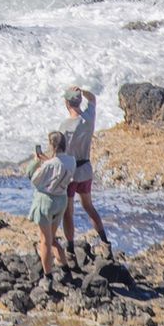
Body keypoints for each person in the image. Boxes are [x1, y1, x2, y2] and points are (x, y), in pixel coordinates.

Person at [60, 85, 110, 259]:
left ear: (67, 103)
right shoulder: (88, 118)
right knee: (89, 206)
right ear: (79, 101)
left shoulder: (65, 126)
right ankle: (105, 242)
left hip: (71, 174)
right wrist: (83, 91)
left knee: (68, 212)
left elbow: (60, 152)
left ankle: (70, 249)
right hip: (86, 170)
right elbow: (93, 99)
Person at [24, 130, 75, 293]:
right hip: (61, 200)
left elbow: (33, 178)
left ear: (52, 146)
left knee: (45, 241)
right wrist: (47, 160)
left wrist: (35, 162)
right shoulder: (71, 161)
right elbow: (58, 166)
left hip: (46, 202)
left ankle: (47, 278)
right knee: (52, 239)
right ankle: (66, 271)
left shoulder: (49, 165)